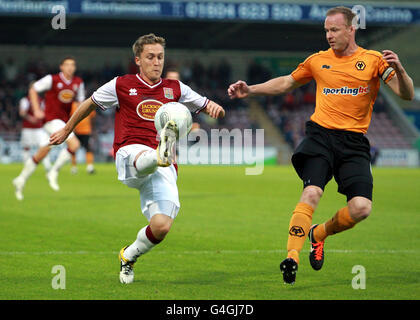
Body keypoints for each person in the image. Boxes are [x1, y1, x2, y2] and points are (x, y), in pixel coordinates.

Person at [228, 6, 414, 284]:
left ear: (351, 29)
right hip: (320, 137)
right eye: (326, 30)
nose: (329, 35)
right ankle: (292, 256)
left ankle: (319, 234)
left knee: (361, 208)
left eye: (334, 30)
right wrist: (251, 89)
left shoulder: (373, 60)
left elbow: (406, 94)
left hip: (354, 142)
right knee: (312, 193)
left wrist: (400, 70)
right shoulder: (318, 61)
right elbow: (286, 83)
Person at [49, 33, 225, 284]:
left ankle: (128, 256)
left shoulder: (175, 88)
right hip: (129, 152)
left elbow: (207, 104)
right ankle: (158, 152)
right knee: (145, 155)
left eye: (160, 57)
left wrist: (215, 108)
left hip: (163, 166)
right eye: (150, 57)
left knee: (162, 226)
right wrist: (67, 129)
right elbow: (90, 103)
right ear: (138, 60)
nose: (157, 62)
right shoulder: (121, 84)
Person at [12, 56, 85, 200]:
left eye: (73, 65)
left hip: (63, 122)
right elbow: (33, 89)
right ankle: (53, 171)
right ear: (61, 67)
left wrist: (75, 122)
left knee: (42, 152)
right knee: (75, 144)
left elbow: (80, 103)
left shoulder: (78, 83)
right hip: (51, 120)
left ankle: (20, 180)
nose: (70, 67)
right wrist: (36, 109)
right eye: (67, 65)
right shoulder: (51, 79)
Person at [18, 94, 52, 171]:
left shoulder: (41, 101)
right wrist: (31, 118)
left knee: (44, 146)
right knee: (26, 147)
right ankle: (26, 165)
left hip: (39, 128)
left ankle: (47, 165)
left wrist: (41, 117)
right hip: (27, 128)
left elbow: (45, 112)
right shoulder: (25, 100)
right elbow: (22, 112)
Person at [69, 102, 96, 174]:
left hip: (86, 130)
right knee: (73, 149)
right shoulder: (72, 105)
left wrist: (92, 129)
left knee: (88, 148)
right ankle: (74, 167)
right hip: (75, 130)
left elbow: (93, 117)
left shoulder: (88, 103)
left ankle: (90, 167)